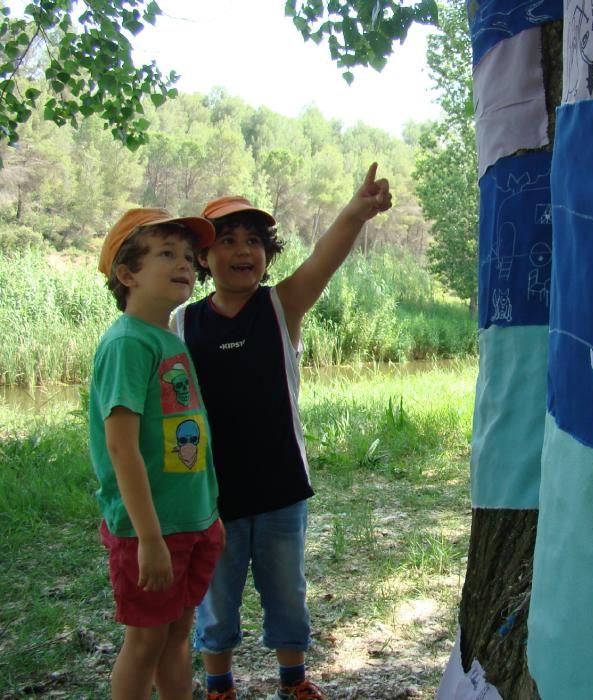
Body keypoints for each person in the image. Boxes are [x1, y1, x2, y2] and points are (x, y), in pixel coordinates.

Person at [174, 163, 392, 700]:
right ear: (204, 257)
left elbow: (325, 257)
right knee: (215, 598)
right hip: (210, 495)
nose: (242, 250)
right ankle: (219, 686)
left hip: (280, 488)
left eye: (254, 240)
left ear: (268, 253)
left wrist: (355, 211)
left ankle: (293, 681)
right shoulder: (180, 323)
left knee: (287, 594)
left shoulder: (281, 305)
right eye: (227, 240)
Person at [89, 208, 224, 700]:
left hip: (189, 521)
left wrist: (208, 511)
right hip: (151, 530)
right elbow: (121, 447)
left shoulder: (169, 339)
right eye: (166, 253)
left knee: (177, 635)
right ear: (128, 274)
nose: (185, 263)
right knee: (145, 640)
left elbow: (192, 433)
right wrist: (148, 538)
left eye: (189, 255)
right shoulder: (126, 342)